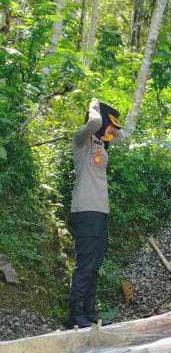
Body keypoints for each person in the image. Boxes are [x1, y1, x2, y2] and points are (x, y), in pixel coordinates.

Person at [66, 98, 122, 328]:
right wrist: (94, 106)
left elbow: (123, 136)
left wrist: (112, 128)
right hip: (85, 210)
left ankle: (88, 312)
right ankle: (75, 315)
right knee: (86, 262)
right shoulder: (83, 141)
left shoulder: (100, 144)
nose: (113, 130)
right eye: (111, 125)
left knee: (95, 263)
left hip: (100, 211)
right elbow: (95, 123)